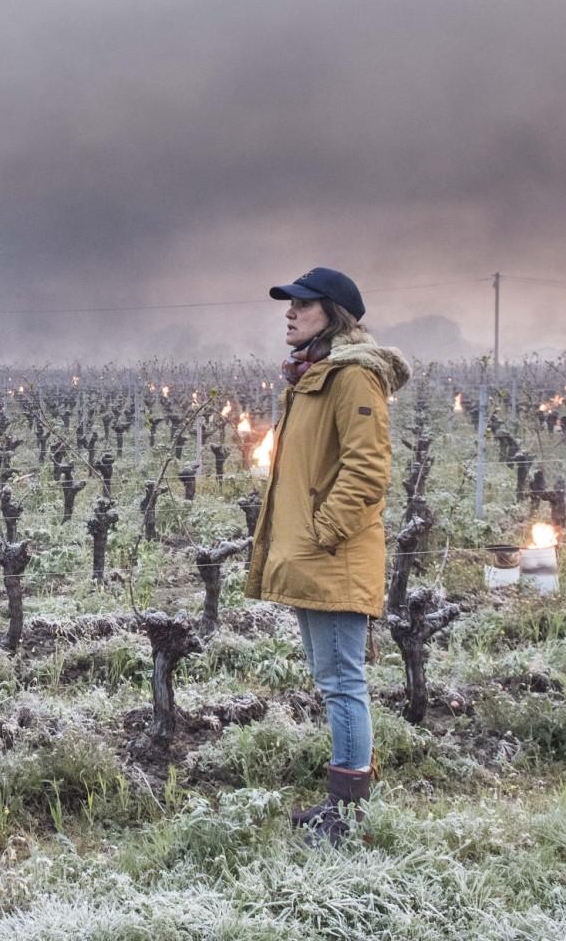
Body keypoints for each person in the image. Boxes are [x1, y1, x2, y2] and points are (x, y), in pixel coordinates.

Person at [242, 266, 409, 844]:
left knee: (342, 681)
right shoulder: (311, 377)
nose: (289, 313)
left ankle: (348, 812)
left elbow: (367, 471)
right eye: (289, 304)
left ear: (333, 314)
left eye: (302, 304)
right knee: (331, 677)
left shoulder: (353, 379)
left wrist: (323, 532)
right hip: (312, 553)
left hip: (330, 553)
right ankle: (343, 799)